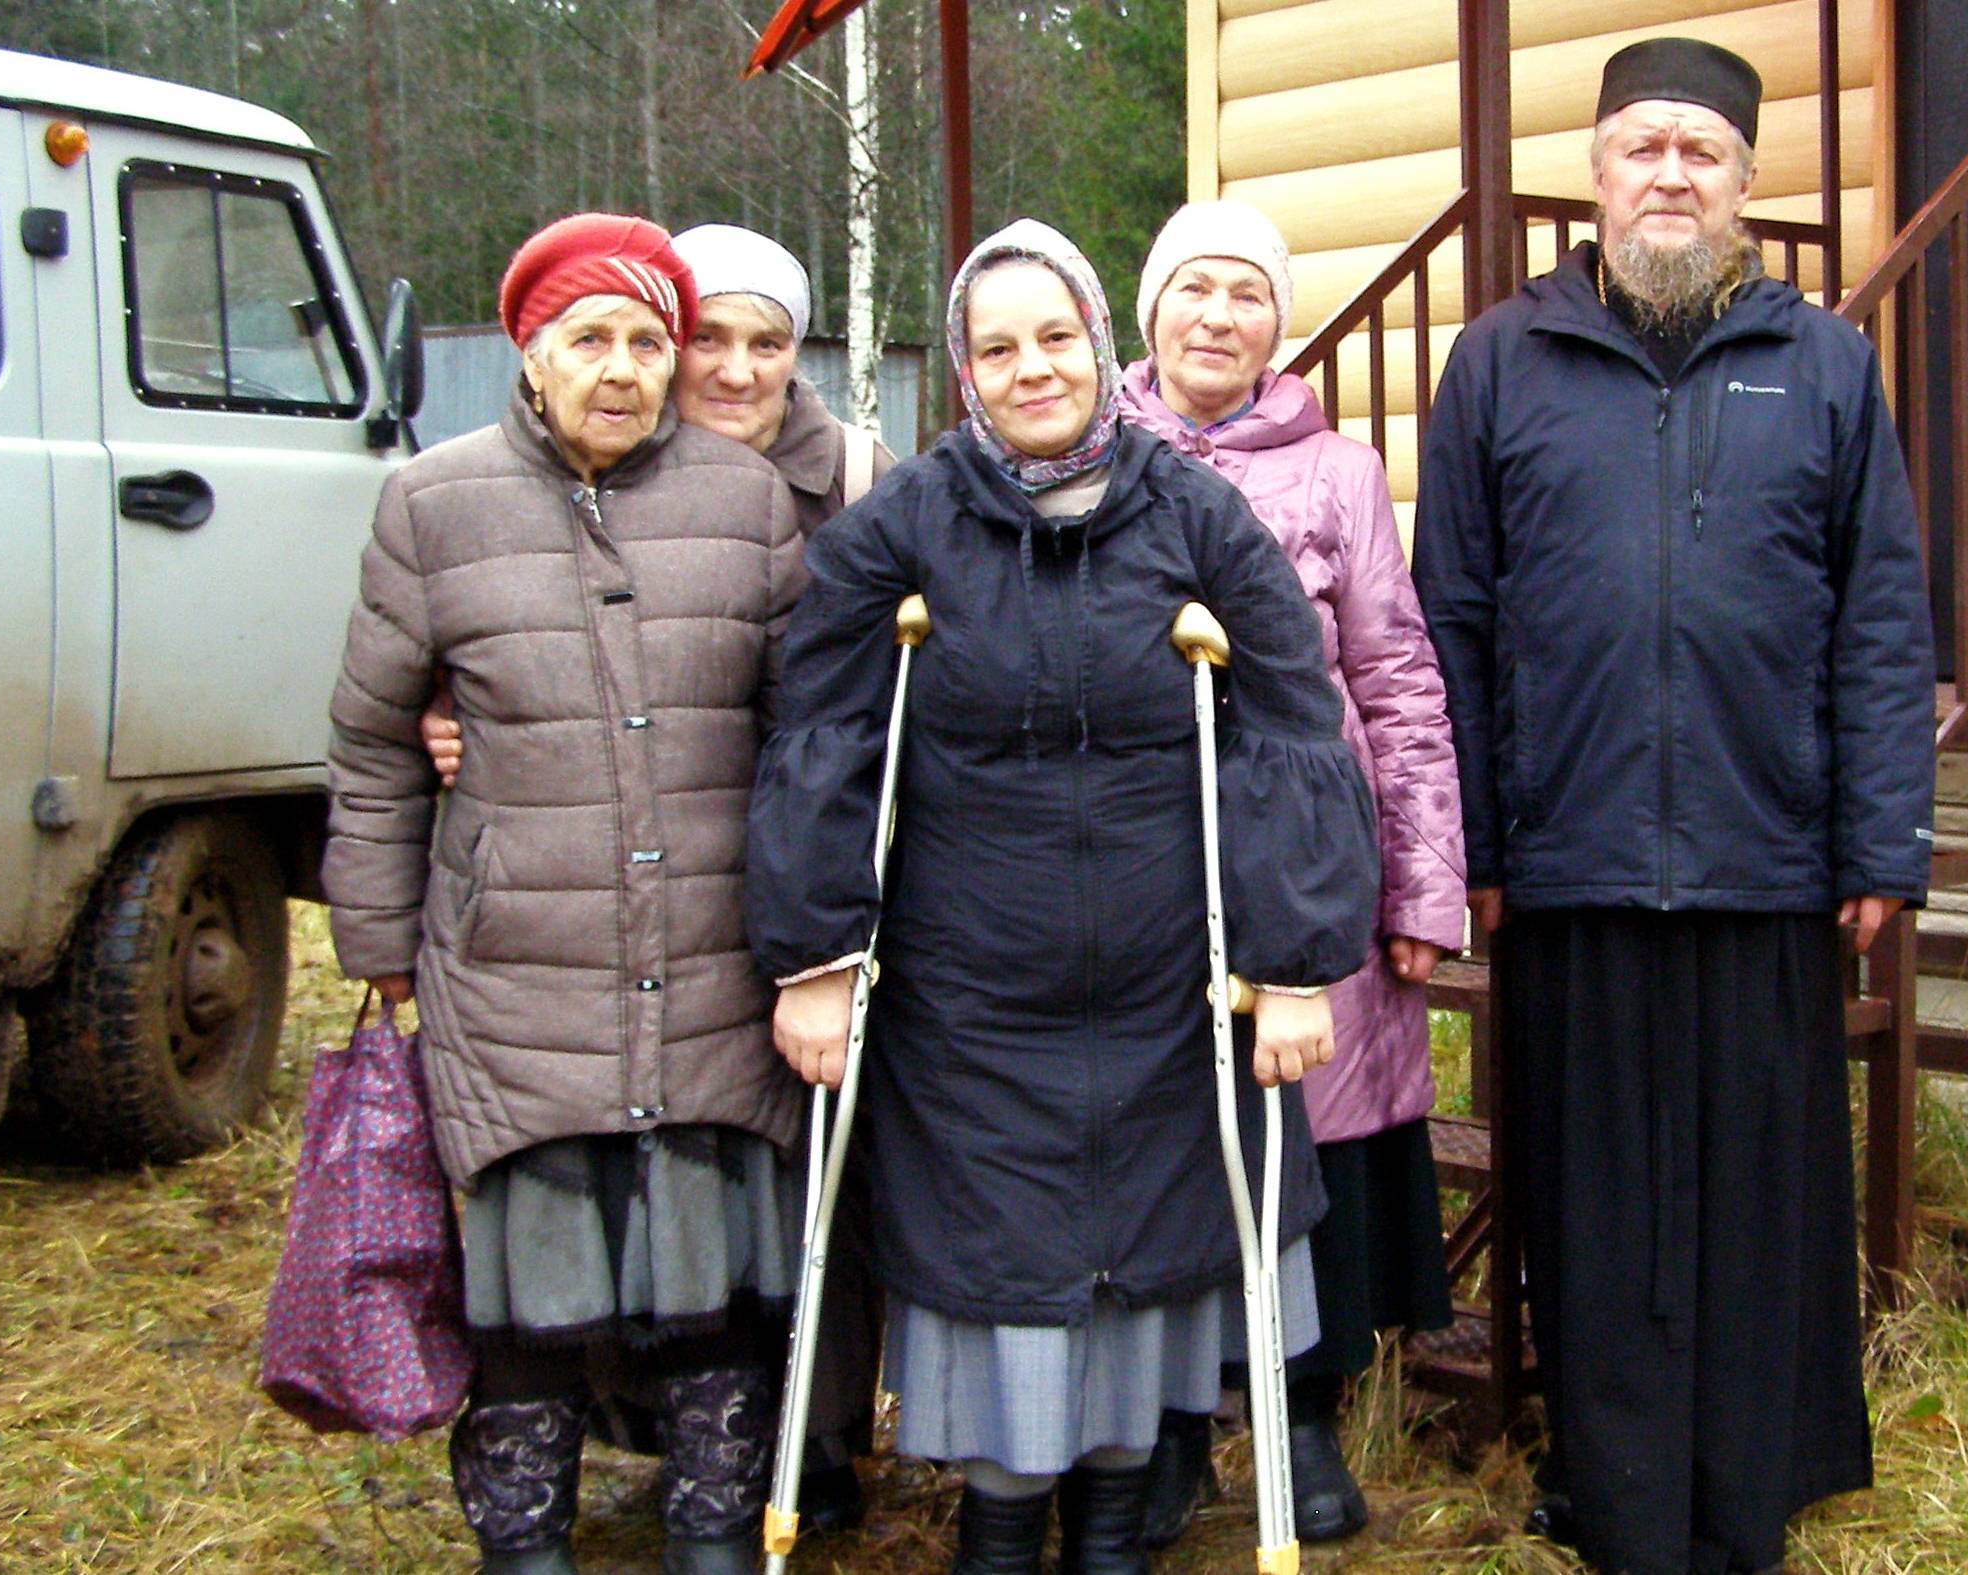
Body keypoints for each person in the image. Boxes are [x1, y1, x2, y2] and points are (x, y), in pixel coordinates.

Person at [745, 218, 1381, 1575]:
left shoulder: (1198, 516)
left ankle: (1111, 1537)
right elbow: (823, 735)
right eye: (996, 347)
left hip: (1168, 986)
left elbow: (1288, 730)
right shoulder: (904, 525)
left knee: (1145, 1276)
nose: (1032, 369)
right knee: (1003, 1289)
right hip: (969, 997)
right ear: (965, 372)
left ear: (1098, 342)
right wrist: (813, 961)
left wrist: (1295, 960)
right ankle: (997, 1531)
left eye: (1054, 338)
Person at [1411, 37, 1935, 1575]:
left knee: (1762, 1200)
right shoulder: (1504, 359)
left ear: (1748, 186)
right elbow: (1453, 620)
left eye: (1701, 152)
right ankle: (1616, 1490)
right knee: (1594, 1203)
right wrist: (1476, 845)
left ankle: (1745, 1489)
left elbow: (1881, 617)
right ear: (1596, 170)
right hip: (1568, 866)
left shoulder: (1823, 362)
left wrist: (1882, 838)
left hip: (1766, 856)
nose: (1670, 176)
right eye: (1642, 146)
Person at [322, 212, 809, 1575]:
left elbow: (808, 728)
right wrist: (380, 941)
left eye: (649, 341)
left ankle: (714, 1526)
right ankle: (522, 1539)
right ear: (527, 359)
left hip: (713, 952)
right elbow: (371, 739)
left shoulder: (745, 500)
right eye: (588, 339)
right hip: (514, 959)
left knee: (715, 1269)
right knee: (527, 1283)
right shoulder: (432, 502)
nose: (622, 368)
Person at [419, 220, 897, 1533]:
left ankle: (810, 1448)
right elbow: (438, 649)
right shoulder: (518, 491)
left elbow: (855, 699)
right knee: (611, 1184)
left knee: (783, 1196)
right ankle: (644, 1454)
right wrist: (462, 715)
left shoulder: (842, 480)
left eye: (768, 343)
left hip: (788, 889)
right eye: (707, 340)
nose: (733, 369)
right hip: (592, 900)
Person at [1113, 199, 1464, 1547]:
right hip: (1138, 868)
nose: (1218, 316)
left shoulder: (1337, 473)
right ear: (1150, 312)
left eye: (1247, 295)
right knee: (1160, 1150)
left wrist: (1423, 885)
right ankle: (1165, 1432)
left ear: (1278, 324)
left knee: (1297, 1143)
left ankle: (1301, 1416)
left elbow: (1395, 678)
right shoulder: (1083, 449)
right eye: (1194, 289)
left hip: (1308, 862)